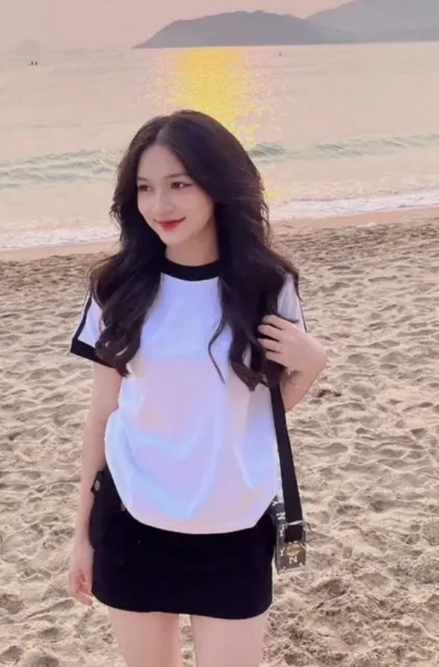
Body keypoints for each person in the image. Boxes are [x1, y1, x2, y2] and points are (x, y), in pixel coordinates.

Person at [67, 110, 327, 667]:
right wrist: (81, 535)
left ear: (217, 184)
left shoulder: (266, 285)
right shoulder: (117, 287)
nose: (159, 204)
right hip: (133, 517)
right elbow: (102, 415)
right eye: (145, 188)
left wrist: (312, 365)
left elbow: (254, 408)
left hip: (233, 522)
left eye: (179, 184)